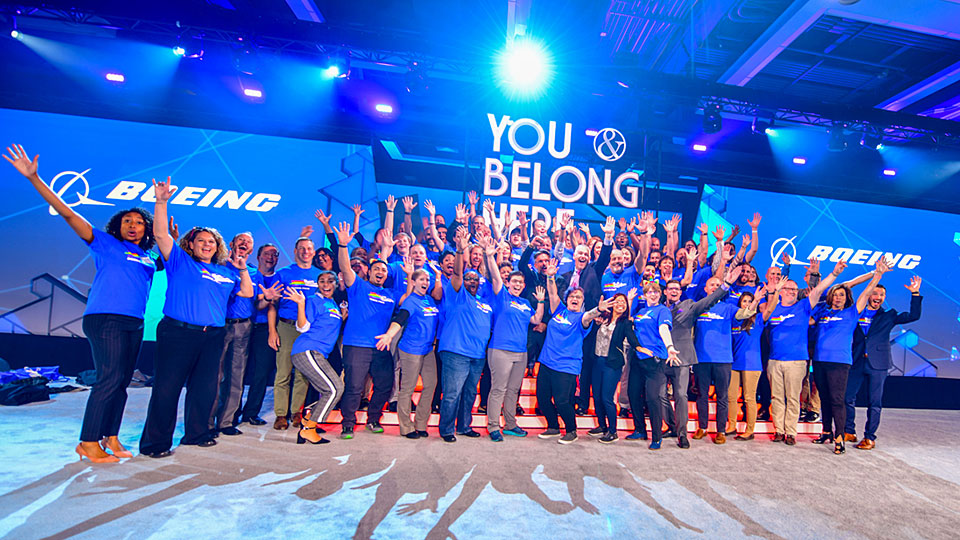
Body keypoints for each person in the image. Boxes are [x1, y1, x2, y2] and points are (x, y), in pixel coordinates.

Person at [4, 144, 156, 463]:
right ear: (118, 226)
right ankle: (88, 441)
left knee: (122, 381)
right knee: (108, 378)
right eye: (127, 221)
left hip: (135, 321)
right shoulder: (104, 242)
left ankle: (110, 435)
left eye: (139, 222)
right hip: (105, 319)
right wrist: (34, 178)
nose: (133, 225)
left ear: (146, 229)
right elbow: (68, 213)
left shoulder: (147, 256)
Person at [139, 178, 253, 458]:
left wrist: (242, 269)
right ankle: (156, 444)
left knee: (205, 388)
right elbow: (161, 234)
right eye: (201, 240)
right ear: (190, 243)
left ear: (218, 246)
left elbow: (247, 292)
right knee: (167, 389)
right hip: (178, 333)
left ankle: (197, 433)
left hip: (213, 335)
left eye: (211, 241)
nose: (206, 244)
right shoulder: (180, 261)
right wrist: (161, 202)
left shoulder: (225, 272)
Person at [762, 258, 843, 446]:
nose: (792, 291)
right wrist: (773, 292)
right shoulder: (772, 308)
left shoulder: (803, 306)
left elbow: (819, 289)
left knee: (793, 398)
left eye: (794, 289)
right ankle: (779, 430)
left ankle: (791, 432)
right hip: (774, 360)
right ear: (781, 291)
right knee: (776, 397)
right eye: (788, 289)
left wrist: (834, 273)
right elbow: (764, 316)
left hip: (797, 361)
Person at [810, 259, 887, 455]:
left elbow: (867, 292)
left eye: (841, 295)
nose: (838, 298)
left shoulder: (852, 312)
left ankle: (839, 437)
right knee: (824, 398)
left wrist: (877, 274)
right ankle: (826, 431)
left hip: (840, 363)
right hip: (819, 360)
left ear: (847, 297)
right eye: (835, 295)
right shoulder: (822, 311)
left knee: (837, 399)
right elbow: (812, 305)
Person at [660, 244, 729, 449]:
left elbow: (709, 301)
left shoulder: (689, 305)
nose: (674, 291)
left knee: (681, 395)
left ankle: (682, 434)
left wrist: (725, 285)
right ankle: (672, 425)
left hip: (682, 357)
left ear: (680, 291)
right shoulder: (658, 308)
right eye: (670, 289)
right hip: (661, 357)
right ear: (665, 291)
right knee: (660, 395)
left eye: (677, 289)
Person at [334, 222, 398, 439]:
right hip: (357, 345)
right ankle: (348, 424)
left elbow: (407, 303)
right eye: (376, 269)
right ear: (368, 272)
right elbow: (345, 268)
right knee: (353, 386)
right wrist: (343, 246)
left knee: (385, 385)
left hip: (380, 346)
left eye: (384, 270)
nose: (380, 272)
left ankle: (373, 419)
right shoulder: (358, 286)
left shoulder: (390, 294)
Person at [844, 276, 922, 449]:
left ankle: (869, 437)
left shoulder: (889, 315)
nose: (878, 297)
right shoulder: (856, 312)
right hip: (856, 361)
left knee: (875, 402)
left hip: (878, 364)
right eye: (875, 293)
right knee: (847, 397)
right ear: (868, 295)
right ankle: (849, 431)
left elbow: (914, 315)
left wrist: (915, 293)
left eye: (882, 295)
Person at [536, 260, 607, 444]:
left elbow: (589, 316)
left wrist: (598, 310)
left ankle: (571, 430)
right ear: (567, 299)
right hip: (547, 362)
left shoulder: (581, 318)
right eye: (572, 296)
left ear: (582, 302)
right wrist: (550, 277)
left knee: (562, 401)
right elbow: (552, 293)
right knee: (542, 399)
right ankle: (553, 426)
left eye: (579, 297)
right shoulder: (558, 311)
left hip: (566, 366)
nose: (575, 299)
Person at [436, 228, 496, 443]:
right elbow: (457, 274)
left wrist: (489, 256)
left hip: (478, 355)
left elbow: (491, 279)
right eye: (468, 278)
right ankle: (446, 429)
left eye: (475, 279)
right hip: (455, 352)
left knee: (470, 393)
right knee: (452, 393)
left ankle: (464, 426)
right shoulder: (456, 294)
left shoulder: (484, 302)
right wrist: (461, 251)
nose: (472, 281)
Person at [374, 262, 443, 439]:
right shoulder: (411, 301)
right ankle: (406, 427)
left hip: (427, 350)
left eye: (427, 279)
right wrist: (389, 335)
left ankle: (421, 424)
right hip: (411, 350)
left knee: (431, 385)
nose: (425, 282)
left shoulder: (429, 300)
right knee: (407, 389)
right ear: (413, 282)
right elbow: (400, 319)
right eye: (421, 279)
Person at [691, 269, 753, 445]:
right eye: (712, 285)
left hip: (723, 359)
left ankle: (721, 430)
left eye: (718, 285)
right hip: (701, 358)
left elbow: (744, 314)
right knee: (702, 395)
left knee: (722, 396)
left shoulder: (728, 308)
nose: (715, 287)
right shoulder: (699, 306)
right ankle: (702, 427)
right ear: (705, 289)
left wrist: (755, 301)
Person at [560, 216, 615, 415]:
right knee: (567, 362)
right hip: (567, 327)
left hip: (589, 326)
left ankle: (583, 403)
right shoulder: (565, 277)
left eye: (586, 253)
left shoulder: (594, 270)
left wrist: (608, 237)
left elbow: (605, 257)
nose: (583, 256)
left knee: (585, 365)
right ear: (574, 255)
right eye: (580, 253)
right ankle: (565, 400)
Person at [286, 270, 347, 445]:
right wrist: (300, 304)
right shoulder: (313, 300)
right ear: (317, 284)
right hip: (308, 350)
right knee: (335, 389)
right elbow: (302, 327)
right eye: (322, 281)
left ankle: (307, 422)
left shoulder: (332, 304)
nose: (326, 284)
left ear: (336, 284)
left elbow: (329, 326)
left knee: (332, 389)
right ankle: (308, 428)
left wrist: (342, 315)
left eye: (330, 281)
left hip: (319, 353)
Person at [485, 268, 546, 441]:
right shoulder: (502, 297)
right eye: (514, 281)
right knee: (498, 389)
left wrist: (541, 301)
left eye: (520, 282)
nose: (517, 284)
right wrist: (490, 257)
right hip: (501, 350)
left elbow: (536, 320)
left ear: (524, 285)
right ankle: (493, 426)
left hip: (521, 352)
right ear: (508, 283)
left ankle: (510, 425)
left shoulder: (525, 303)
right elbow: (495, 276)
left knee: (512, 390)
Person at [209, 232, 257, 437]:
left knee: (236, 376)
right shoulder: (219, 265)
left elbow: (256, 299)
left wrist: (268, 298)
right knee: (214, 375)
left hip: (243, 327)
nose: (244, 244)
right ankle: (207, 423)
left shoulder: (253, 272)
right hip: (220, 326)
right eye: (241, 240)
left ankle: (226, 422)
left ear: (251, 249)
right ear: (232, 244)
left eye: (248, 242)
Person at [268, 236, 317, 430]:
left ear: (313, 252)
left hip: (308, 330)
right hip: (287, 327)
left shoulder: (320, 275)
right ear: (295, 251)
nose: (306, 252)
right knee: (283, 372)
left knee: (303, 373)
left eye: (309, 248)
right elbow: (272, 304)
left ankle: (297, 412)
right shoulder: (283, 274)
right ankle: (281, 414)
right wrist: (272, 331)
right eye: (302, 248)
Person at [628, 281, 680, 450]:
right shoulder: (640, 312)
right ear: (644, 295)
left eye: (656, 291)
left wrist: (670, 347)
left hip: (654, 360)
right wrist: (629, 301)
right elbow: (628, 323)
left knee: (652, 398)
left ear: (660, 294)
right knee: (633, 395)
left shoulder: (662, 311)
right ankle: (640, 430)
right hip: (637, 359)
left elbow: (664, 328)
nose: (653, 294)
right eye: (649, 292)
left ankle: (656, 437)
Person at [237, 244, 282, 425]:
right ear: (258, 257)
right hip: (243, 326)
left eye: (274, 254)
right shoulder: (248, 273)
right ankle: (231, 413)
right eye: (266, 254)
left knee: (261, 373)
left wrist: (272, 331)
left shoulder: (279, 278)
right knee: (237, 371)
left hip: (265, 329)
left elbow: (272, 305)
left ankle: (251, 412)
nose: (270, 257)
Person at [588, 289, 640, 443]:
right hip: (598, 361)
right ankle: (602, 426)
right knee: (597, 396)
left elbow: (631, 337)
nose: (620, 304)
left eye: (623, 303)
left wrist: (639, 347)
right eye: (617, 301)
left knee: (607, 397)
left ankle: (613, 431)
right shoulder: (603, 319)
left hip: (612, 363)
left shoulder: (625, 323)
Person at [727, 289, 766, 440]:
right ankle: (732, 426)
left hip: (752, 364)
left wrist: (773, 292)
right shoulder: (735, 320)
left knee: (749, 398)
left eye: (750, 301)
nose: (747, 304)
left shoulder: (759, 319)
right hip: (734, 362)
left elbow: (770, 308)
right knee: (731, 396)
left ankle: (750, 430)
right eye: (745, 301)